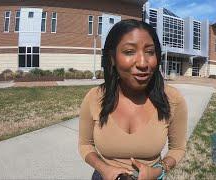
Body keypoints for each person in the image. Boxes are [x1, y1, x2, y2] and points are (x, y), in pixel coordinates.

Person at [78, 19, 187, 180]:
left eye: (150, 52)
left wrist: (158, 171)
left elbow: (178, 148)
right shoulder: (94, 97)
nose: (143, 63)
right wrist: (103, 168)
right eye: (129, 52)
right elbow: (85, 145)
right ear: (112, 58)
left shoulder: (172, 99)